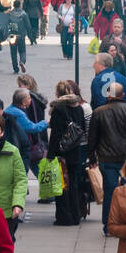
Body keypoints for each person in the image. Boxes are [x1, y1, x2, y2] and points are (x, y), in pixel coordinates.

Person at [89, 81, 126, 234]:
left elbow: (92, 138)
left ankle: (108, 226)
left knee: (110, 192)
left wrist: (92, 157)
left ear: (108, 95)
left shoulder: (99, 112)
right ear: (123, 95)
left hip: (106, 158)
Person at [47, 80, 88, 226]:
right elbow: (82, 128)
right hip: (75, 152)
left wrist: (50, 155)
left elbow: (55, 135)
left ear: (57, 93)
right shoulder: (78, 108)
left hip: (61, 154)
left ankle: (64, 217)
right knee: (74, 185)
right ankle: (75, 216)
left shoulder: (58, 110)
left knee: (62, 186)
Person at [7, 0, 29, 74]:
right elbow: (28, 26)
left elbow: (6, 24)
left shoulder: (9, 14)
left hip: (12, 35)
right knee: (22, 51)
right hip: (21, 35)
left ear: (13, 5)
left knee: (13, 52)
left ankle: (15, 68)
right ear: (20, 5)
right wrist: (31, 36)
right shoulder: (24, 14)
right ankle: (22, 62)